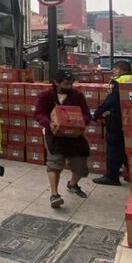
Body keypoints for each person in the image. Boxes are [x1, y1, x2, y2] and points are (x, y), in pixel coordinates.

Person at [34, 69, 92, 208]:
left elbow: (86, 114)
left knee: (81, 165)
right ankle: (54, 195)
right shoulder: (45, 96)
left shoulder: (77, 96)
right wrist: (49, 123)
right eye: (66, 84)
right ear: (56, 82)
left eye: (71, 84)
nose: (69, 87)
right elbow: (39, 114)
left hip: (74, 135)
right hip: (53, 134)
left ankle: (72, 184)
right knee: (54, 162)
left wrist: (80, 122)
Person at [91, 60, 132, 186]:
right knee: (127, 148)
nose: (113, 72)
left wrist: (97, 114)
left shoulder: (118, 82)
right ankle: (131, 174)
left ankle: (112, 176)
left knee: (114, 149)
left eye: (114, 70)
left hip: (117, 120)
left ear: (119, 70)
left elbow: (110, 101)